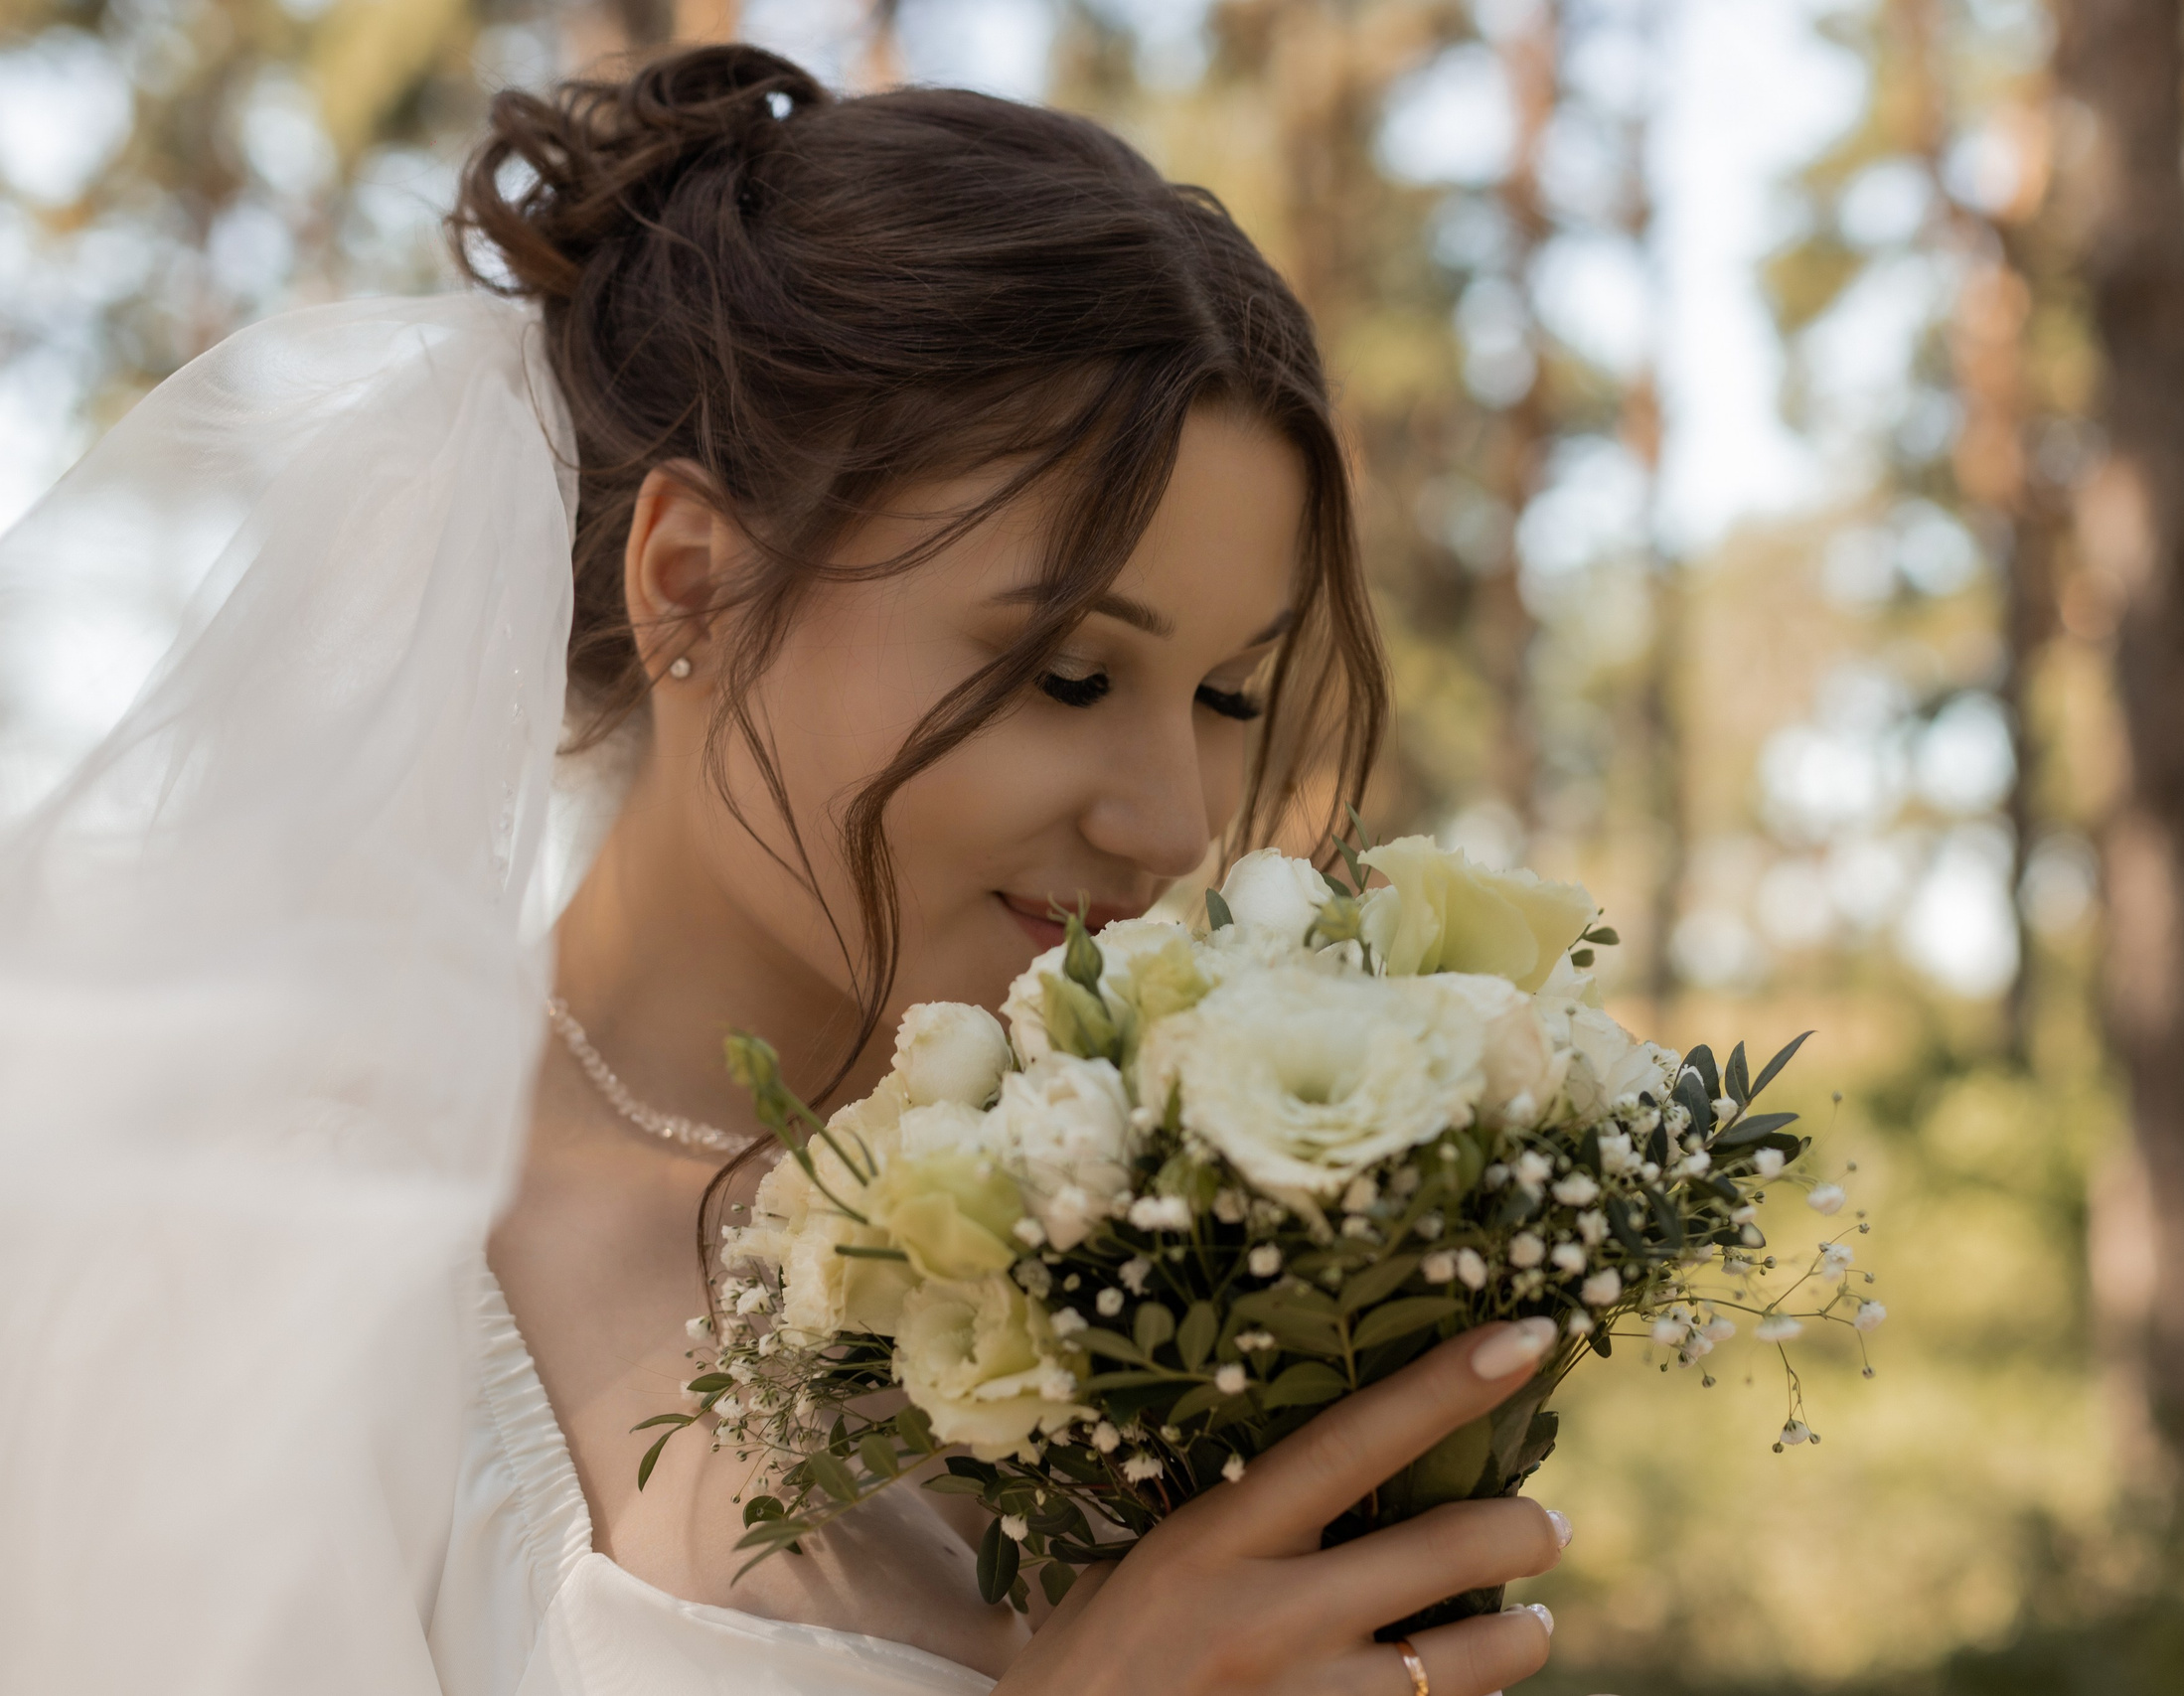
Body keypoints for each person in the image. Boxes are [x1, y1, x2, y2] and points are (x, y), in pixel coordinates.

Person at [0, 44, 1565, 1696]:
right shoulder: (265, 1259)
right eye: (1070, 674)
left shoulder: (1212, 1251)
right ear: (688, 581)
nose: (1174, 827)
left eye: (1232, 695)